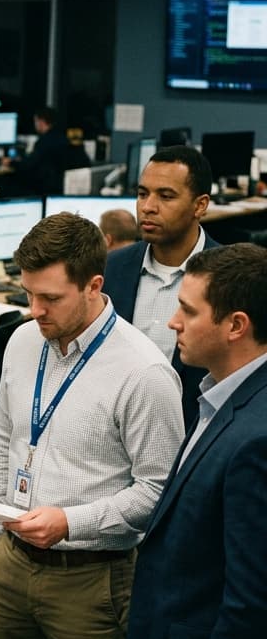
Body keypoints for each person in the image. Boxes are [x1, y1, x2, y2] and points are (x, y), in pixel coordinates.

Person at [0, 212, 184, 639]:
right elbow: (3, 437)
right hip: (11, 560)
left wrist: (71, 522)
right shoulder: (22, 341)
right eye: (28, 294)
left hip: (91, 578)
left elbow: (158, 493)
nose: (35, 310)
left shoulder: (143, 373)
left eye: (50, 298)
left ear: (94, 286)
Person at [128, 243, 267, 639]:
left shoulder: (256, 437)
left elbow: (253, 598)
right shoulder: (220, 397)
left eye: (188, 310)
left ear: (235, 325)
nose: (173, 322)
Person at [103, 145, 219, 427]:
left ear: (200, 205)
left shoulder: (228, 277)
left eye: (166, 196)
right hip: (112, 428)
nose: (148, 207)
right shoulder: (110, 268)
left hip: (192, 431)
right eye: (143, 194)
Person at [0, 106, 88, 197]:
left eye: (35, 121)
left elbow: (28, 165)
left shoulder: (44, 141)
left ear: (41, 122)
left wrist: (10, 162)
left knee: (9, 185)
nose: (35, 124)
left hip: (44, 187)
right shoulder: (64, 138)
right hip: (60, 186)